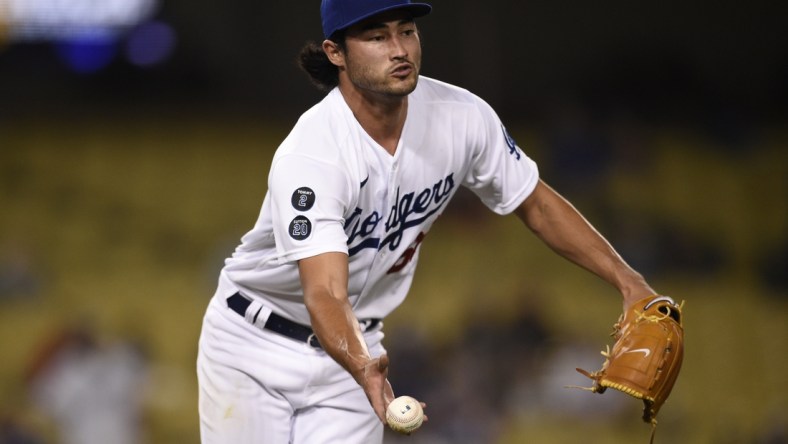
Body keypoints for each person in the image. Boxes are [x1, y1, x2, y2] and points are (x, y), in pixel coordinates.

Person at [196, 0, 658, 443]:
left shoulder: (461, 118)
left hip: (358, 347)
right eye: (377, 36)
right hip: (254, 347)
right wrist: (362, 364)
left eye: (407, 31)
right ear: (335, 52)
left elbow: (534, 203)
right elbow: (326, 292)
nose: (399, 49)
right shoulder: (313, 153)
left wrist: (629, 281)